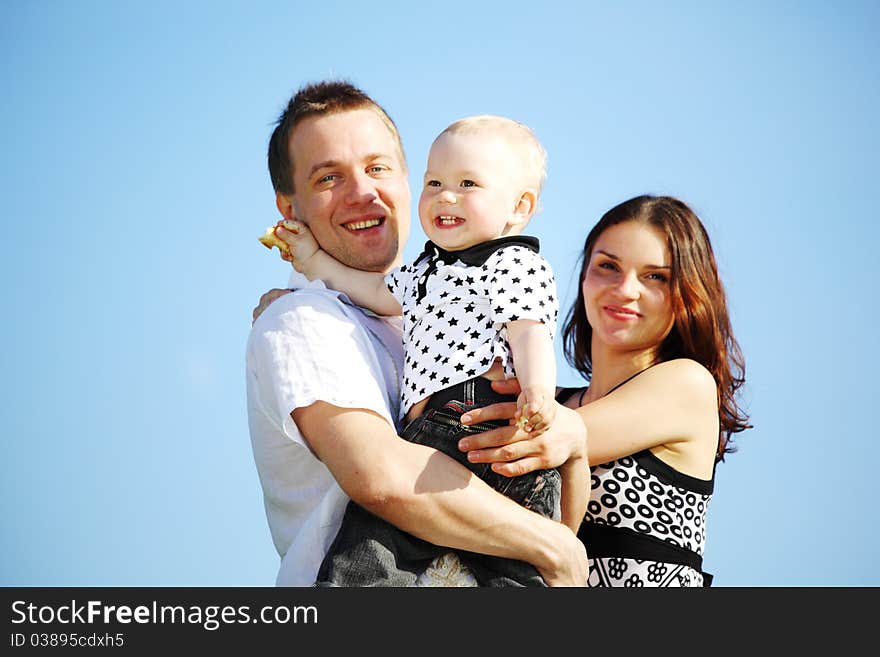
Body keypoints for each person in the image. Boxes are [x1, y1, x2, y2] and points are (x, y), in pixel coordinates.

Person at [245, 79, 589, 587]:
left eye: (377, 168)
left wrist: (569, 434)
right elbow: (382, 476)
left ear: (403, 180)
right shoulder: (303, 320)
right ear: (289, 208)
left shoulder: (439, 305)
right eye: (328, 178)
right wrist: (555, 547)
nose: (363, 192)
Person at [458, 194, 751, 587]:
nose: (625, 289)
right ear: (583, 278)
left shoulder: (687, 384)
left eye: (655, 277)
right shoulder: (551, 403)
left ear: (688, 293)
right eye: (608, 267)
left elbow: (547, 440)